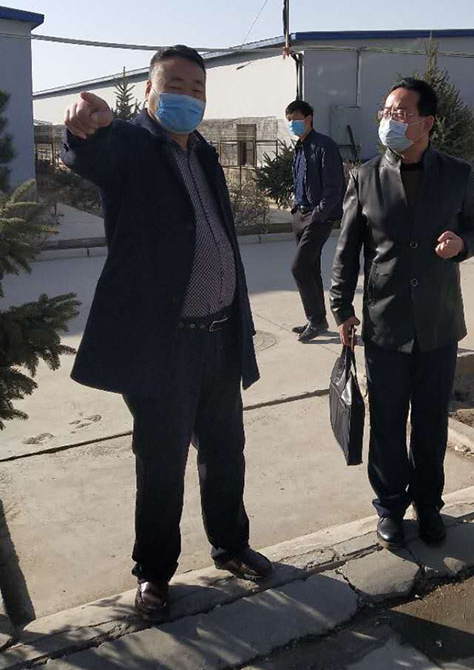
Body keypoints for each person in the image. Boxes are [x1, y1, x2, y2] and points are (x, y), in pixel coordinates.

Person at [61, 45, 272, 620]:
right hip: (164, 345)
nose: (189, 96)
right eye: (175, 85)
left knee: (226, 452)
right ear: (150, 92)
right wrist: (85, 131)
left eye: (198, 87)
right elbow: (93, 156)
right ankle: (154, 572)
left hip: (220, 337)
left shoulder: (203, 152)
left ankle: (231, 544)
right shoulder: (132, 144)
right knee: (161, 463)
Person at [330, 78, 474, 549]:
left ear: (427, 122)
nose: (389, 120)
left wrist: (463, 244)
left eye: (400, 113)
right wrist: (341, 307)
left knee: (430, 421)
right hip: (385, 322)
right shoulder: (365, 177)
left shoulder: (457, 174)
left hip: (439, 323)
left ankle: (428, 505)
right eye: (385, 112)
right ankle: (389, 506)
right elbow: (347, 250)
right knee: (386, 421)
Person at [285, 100, 346, 342]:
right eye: (289, 120)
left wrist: (318, 214)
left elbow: (334, 186)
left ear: (309, 118)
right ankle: (316, 319)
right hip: (299, 214)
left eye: (296, 119)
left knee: (299, 267)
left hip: (318, 217)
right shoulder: (300, 147)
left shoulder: (324, 146)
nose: (292, 124)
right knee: (310, 268)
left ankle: (317, 320)